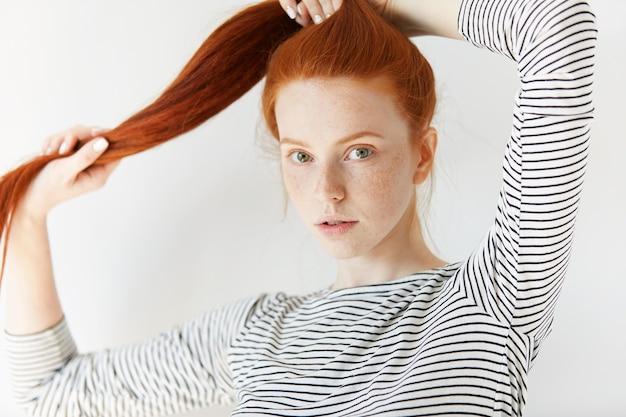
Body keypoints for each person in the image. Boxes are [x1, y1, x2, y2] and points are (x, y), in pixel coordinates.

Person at [1, 0, 596, 415]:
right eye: (301, 156)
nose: (326, 191)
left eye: (359, 151)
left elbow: (557, 29)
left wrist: (382, 8)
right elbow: (49, 395)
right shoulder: (256, 334)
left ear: (422, 155)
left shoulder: (494, 301)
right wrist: (28, 215)